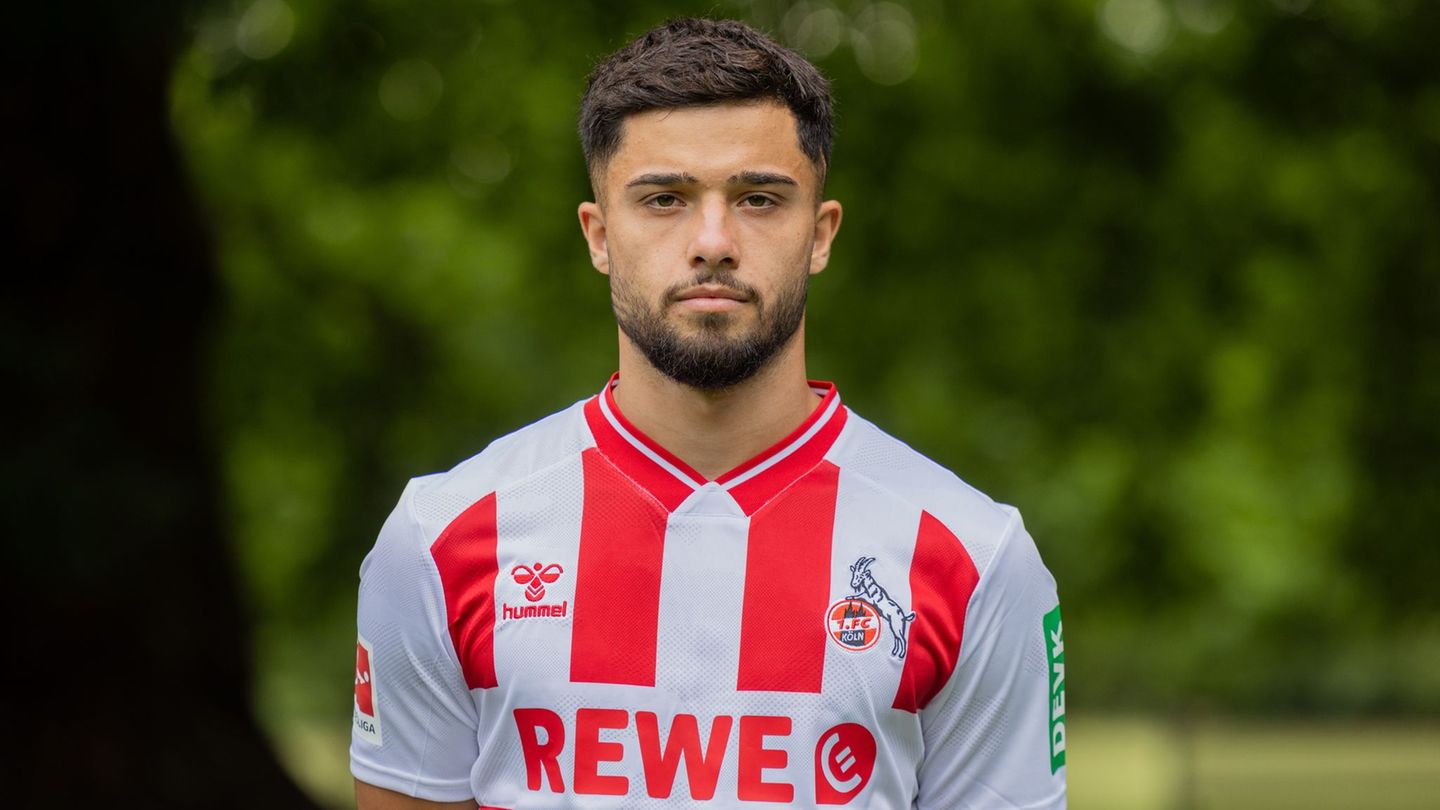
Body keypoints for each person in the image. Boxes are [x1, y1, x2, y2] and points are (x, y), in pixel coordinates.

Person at [351, 17, 1066, 810]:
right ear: (598, 234)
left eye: (759, 198)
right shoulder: (441, 537)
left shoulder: (973, 558)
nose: (714, 240)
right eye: (664, 199)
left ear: (820, 233)